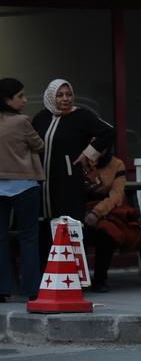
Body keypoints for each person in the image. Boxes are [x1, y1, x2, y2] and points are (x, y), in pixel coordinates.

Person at [31, 78, 115, 256]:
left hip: (68, 181)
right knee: (45, 227)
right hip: (43, 183)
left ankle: (74, 269)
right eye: (60, 95)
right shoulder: (41, 118)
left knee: (70, 225)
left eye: (69, 94)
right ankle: (48, 271)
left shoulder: (81, 116)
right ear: (51, 97)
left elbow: (108, 132)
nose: (65, 99)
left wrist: (88, 153)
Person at [0, 78, 44, 302]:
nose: (25, 100)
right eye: (20, 96)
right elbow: (39, 145)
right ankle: (31, 289)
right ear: (7, 100)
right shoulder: (22, 122)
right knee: (29, 238)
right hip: (25, 184)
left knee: (1, 239)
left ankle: (2, 290)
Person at [81, 149, 129, 293]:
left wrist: (96, 213)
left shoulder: (116, 164)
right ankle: (77, 278)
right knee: (76, 231)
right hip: (78, 207)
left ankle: (100, 280)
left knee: (107, 233)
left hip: (103, 209)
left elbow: (116, 195)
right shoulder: (80, 160)